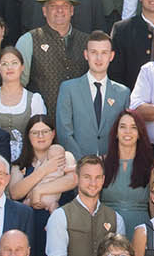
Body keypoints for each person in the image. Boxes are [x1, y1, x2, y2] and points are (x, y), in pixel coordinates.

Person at [54, 31, 131, 160]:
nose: (99, 58)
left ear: (111, 56)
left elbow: (124, 133)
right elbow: (64, 133)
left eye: (104, 53)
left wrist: (110, 159)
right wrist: (84, 163)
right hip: (77, 166)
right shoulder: (68, 89)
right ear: (86, 55)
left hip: (111, 165)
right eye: (94, 52)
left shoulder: (123, 93)